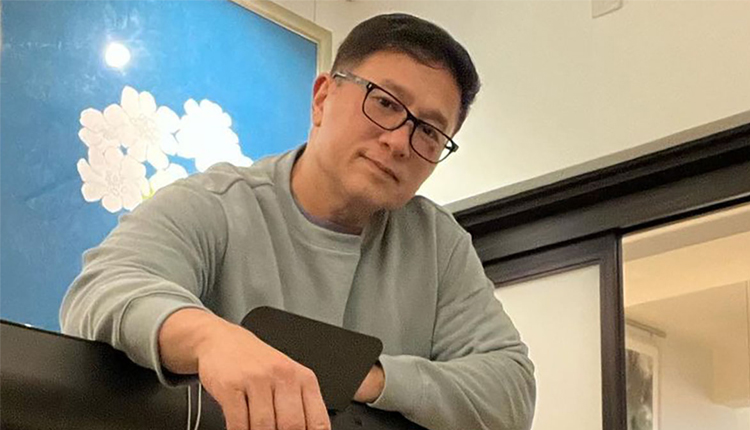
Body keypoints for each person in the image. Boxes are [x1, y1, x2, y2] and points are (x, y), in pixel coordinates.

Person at [60, 13, 535, 430]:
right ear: (323, 97)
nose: (398, 142)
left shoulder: (438, 243)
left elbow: (509, 391)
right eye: (386, 103)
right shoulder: (216, 203)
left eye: (429, 131)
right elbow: (102, 290)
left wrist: (363, 376)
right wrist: (212, 339)